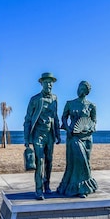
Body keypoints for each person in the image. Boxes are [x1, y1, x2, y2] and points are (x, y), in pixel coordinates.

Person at [57, 80, 98, 198]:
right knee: (77, 161)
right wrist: (67, 129)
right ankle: (76, 188)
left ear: (86, 92)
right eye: (79, 88)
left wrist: (89, 129)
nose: (80, 90)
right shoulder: (70, 103)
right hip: (73, 137)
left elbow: (94, 122)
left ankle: (85, 186)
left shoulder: (91, 106)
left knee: (86, 161)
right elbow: (64, 118)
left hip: (87, 138)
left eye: (83, 89)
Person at [23, 72, 62, 200]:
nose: (49, 84)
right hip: (38, 135)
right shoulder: (35, 99)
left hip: (50, 135)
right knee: (39, 161)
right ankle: (39, 190)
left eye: (51, 82)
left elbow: (55, 117)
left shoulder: (55, 98)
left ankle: (47, 186)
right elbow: (28, 119)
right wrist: (26, 138)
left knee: (49, 162)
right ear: (42, 83)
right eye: (46, 82)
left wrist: (58, 134)